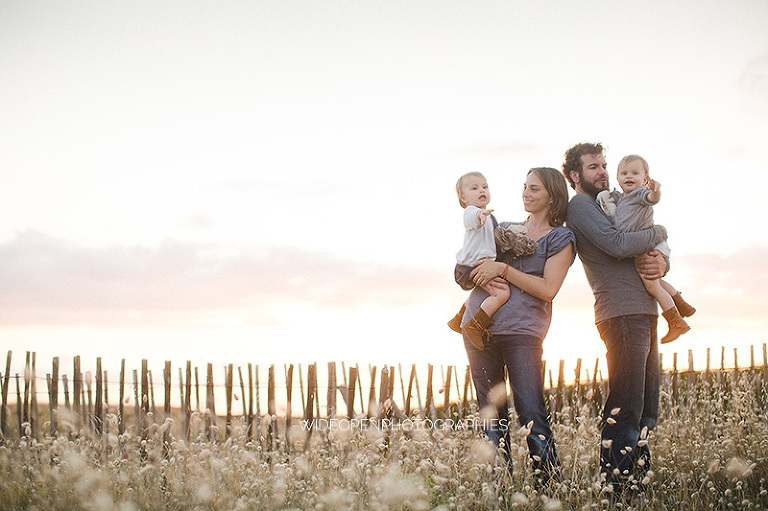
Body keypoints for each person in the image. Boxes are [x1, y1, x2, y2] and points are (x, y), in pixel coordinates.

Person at [562, 142, 669, 498]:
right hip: (620, 313)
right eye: (594, 167)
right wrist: (659, 234)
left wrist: (662, 260)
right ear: (576, 176)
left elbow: (640, 246)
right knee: (625, 405)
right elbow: (620, 245)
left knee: (645, 407)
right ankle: (617, 490)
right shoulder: (579, 206)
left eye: (604, 165)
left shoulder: (612, 203)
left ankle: (638, 484)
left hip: (642, 310)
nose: (603, 172)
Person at [464, 167, 575, 487]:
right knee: (490, 415)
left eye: (534, 189)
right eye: (525, 187)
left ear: (552, 197)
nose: (526, 193)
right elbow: (472, 262)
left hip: (522, 333)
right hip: (479, 328)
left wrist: (504, 269)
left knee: (531, 412)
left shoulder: (561, 237)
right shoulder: (507, 228)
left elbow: (548, 289)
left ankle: (550, 490)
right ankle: (498, 490)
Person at [596, 154, 696, 344]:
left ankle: (676, 322)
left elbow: (652, 198)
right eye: (624, 173)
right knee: (653, 279)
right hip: (643, 243)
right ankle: (681, 305)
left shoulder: (640, 194)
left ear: (645, 178)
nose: (629, 177)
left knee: (651, 285)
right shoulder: (620, 198)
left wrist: (655, 191)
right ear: (617, 177)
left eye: (635, 173)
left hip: (648, 243)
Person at [447, 172, 511, 350]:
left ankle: (460, 317)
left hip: (471, 266)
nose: (481, 190)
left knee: (485, 292)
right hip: (470, 267)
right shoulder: (471, 212)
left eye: (484, 186)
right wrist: (479, 216)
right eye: (474, 188)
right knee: (502, 292)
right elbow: (472, 218)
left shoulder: (490, 217)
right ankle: (475, 325)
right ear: (463, 198)